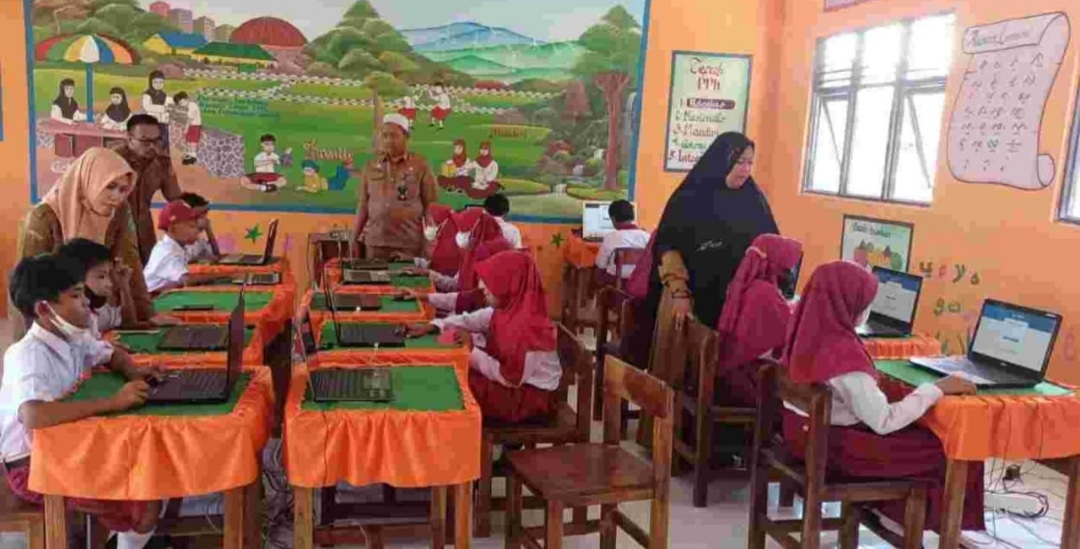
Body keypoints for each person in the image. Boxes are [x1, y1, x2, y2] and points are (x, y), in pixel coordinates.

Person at [782, 261, 984, 534]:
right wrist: (935, 389)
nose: (868, 309)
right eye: (865, 303)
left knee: (916, 436)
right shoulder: (843, 355)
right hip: (834, 451)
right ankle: (910, 520)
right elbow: (883, 421)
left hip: (801, 438)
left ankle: (891, 510)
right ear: (847, 303)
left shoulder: (806, 332)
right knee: (952, 448)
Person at [0, 254, 162, 549]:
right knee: (142, 494)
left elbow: (111, 354)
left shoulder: (73, 335)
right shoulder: (28, 354)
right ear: (44, 309)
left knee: (149, 465)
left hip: (67, 447)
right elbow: (34, 414)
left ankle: (123, 537)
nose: (87, 301)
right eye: (75, 296)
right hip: (32, 465)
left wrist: (135, 373)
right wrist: (112, 402)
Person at [646, 131, 779, 333]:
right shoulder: (690, 197)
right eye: (739, 162)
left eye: (750, 163)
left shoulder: (753, 199)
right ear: (721, 160)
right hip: (686, 299)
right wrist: (680, 294)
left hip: (737, 303)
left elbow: (771, 242)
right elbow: (668, 247)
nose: (745, 169)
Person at [405, 251, 560, 423]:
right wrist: (434, 325)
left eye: (492, 282)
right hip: (508, 380)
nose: (483, 287)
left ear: (510, 285)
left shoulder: (532, 329)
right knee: (454, 372)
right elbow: (468, 320)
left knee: (457, 387)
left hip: (529, 395)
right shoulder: (504, 311)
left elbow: (510, 379)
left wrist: (472, 349)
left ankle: (445, 432)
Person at [15, 147, 155, 335]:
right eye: (110, 186)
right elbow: (28, 284)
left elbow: (130, 260)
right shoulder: (43, 217)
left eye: (123, 189)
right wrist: (40, 339)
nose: (117, 197)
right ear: (90, 180)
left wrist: (147, 314)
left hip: (97, 315)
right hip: (51, 320)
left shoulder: (119, 211)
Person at [712, 234, 802, 406]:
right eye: (788, 266)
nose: (790, 271)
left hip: (730, 376)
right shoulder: (765, 294)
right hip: (745, 385)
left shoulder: (747, 286)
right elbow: (791, 337)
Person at [351, 113, 438, 260]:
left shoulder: (421, 165)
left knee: (405, 276)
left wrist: (429, 243)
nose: (388, 140)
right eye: (384, 136)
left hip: (409, 245)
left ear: (406, 136)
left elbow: (431, 208)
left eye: (394, 136)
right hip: (375, 244)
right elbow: (363, 206)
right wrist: (354, 238)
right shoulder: (371, 166)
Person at [112, 114, 183, 265]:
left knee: (147, 272)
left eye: (156, 141)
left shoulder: (161, 162)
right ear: (129, 138)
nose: (152, 146)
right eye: (145, 142)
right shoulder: (112, 160)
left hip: (144, 229)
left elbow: (175, 198)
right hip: (115, 229)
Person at [419, 208, 512, 314]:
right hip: (465, 311)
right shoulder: (470, 252)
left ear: (478, 229)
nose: (460, 235)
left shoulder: (497, 252)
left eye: (465, 231)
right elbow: (456, 285)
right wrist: (430, 274)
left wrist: (428, 298)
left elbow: (481, 302)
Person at [57, 238, 134, 336]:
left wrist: (124, 286)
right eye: (101, 276)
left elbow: (128, 323)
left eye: (108, 275)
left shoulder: (97, 310)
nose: (109, 283)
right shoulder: (66, 315)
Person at [144, 200, 204, 293]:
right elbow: (187, 280)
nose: (196, 231)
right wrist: (222, 276)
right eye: (191, 226)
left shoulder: (178, 247)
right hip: (150, 298)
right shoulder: (166, 252)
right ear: (172, 229)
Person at [595, 200, 649, 279]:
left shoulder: (610, 237)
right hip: (639, 280)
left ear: (613, 219)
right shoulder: (646, 236)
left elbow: (601, 264)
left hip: (615, 279)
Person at [414, 203, 460, 276]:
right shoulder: (418, 225)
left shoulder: (452, 232)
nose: (429, 226)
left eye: (431, 223)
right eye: (428, 223)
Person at [178, 193, 219, 262]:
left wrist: (209, 230)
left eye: (206, 214)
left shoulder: (199, 241)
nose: (206, 219)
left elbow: (217, 257)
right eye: (202, 215)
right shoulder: (180, 242)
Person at [141, 70, 172, 150]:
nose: (158, 84)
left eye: (161, 82)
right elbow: (147, 107)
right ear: (151, 82)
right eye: (155, 82)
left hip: (163, 122)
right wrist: (163, 109)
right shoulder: (147, 94)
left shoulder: (164, 95)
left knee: (164, 141)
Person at [173, 92, 201, 165]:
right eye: (180, 103)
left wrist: (186, 129)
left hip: (194, 126)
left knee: (192, 142)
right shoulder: (189, 106)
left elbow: (189, 120)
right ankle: (189, 155)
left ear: (187, 99)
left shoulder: (192, 106)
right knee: (189, 141)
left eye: (182, 102)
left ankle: (193, 157)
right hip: (192, 126)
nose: (182, 104)